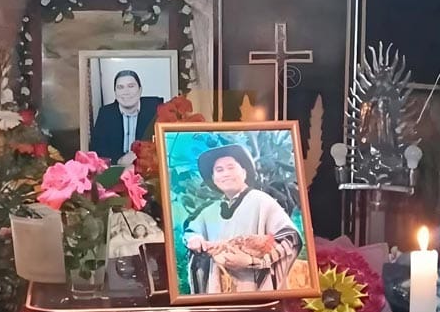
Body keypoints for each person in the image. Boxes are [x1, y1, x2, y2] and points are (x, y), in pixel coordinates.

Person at [182, 143, 303, 294]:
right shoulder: (209, 212)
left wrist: (252, 262)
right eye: (219, 170)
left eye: (231, 167)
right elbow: (192, 232)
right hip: (217, 289)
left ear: (244, 172)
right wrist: (195, 239)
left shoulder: (262, 201)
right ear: (213, 178)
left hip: (254, 290)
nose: (225, 174)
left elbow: (290, 237)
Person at [90, 70, 163, 164]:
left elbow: (163, 146)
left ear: (140, 90)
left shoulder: (155, 110)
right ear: (115, 93)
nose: (126, 92)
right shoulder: (105, 114)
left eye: (131, 86)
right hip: (117, 168)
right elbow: (97, 151)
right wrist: (119, 161)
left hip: (146, 166)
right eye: (120, 87)